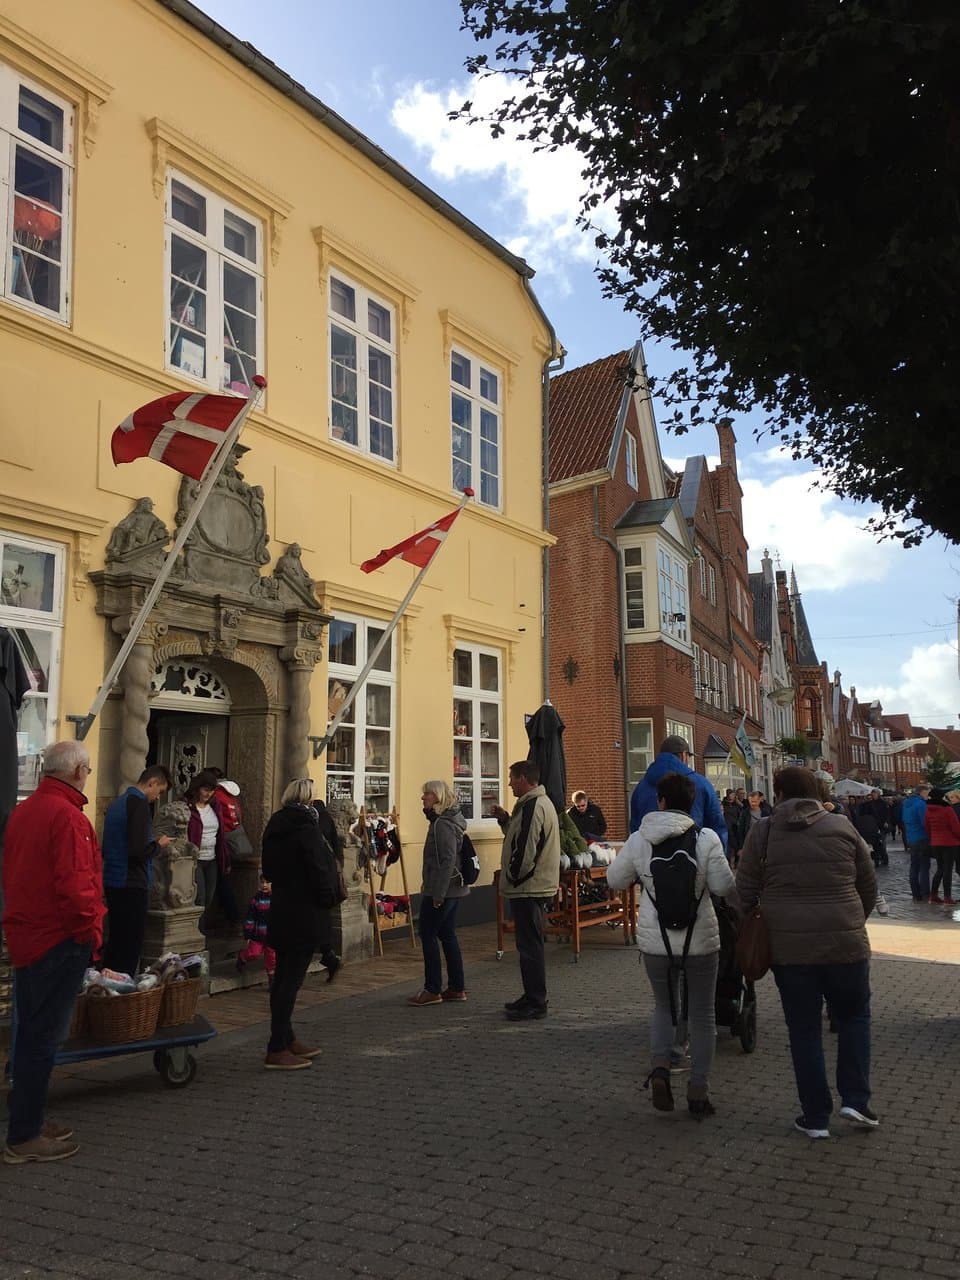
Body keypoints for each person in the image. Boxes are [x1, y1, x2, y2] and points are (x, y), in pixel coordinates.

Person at [736, 766, 878, 1139]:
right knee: (854, 1018)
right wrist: (851, 920)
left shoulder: (762, 832)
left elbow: (744, 891)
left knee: (803, 1030)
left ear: (778, 793)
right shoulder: (842, 826)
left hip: (789, 950)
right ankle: (856, 1100)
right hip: (846, 946)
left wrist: (757, 923)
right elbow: (868, 883)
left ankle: (816, 1117)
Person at [607, 771, 736, 1117]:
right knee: (702, 1014)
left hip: (655, 940)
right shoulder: (706, 837)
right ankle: (698, 1089)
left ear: (660, 801)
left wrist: (641, 875)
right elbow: (724, 886)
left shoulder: (639, 839)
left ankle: (662, 1067)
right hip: (700, 941)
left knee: (664, 1007)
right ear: (691, 804)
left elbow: (614, 878)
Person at [2, 742, 105, 1164]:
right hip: (57, 937)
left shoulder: (25, 810)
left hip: (27, 932)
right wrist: (90, 932)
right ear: (78, 770)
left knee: (29, 1031)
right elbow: (76, 886)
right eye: (88, 768)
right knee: (43, 1037)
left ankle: (28, 1116)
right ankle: (24, 1135)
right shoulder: (68, 817)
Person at [261, 778, 342, 1069]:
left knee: (283, 978)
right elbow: (320, 868)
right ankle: (277, 1046)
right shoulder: (306, 828)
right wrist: (328, 897)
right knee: (290, 981)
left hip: (283, 908)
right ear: (309, 800)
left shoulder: (276, 823)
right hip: (306, 911)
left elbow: (268, 868)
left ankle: (286, 1036)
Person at [492, 760, 561, 1021]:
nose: (509, 783)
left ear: (524, 778)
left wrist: (511, 875)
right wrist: (505, 820)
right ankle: (531, 995)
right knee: (528, 945)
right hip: (532, 885)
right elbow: (520, 836)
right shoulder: (534, 805)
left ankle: (536, 1000)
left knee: (530, 946)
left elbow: (527, 849)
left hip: (529, 887)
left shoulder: (534, 806)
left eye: (512, 778)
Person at [101, 765, 172, 977]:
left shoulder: (117, 803)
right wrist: (159, 845)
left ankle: (108, 986)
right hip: (131, 882)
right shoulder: (138, 805)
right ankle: (121, 990)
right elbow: (139, 849)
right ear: (152, 783)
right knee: (129, 945)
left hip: (113, 879)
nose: (157, 797)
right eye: (159, 791)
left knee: (116, 941)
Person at [407, 780, 468, 1006]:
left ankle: (432, 989)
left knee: (428, 934)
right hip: (451, 889)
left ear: (439, 798)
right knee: (447, 934)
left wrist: (438, 894)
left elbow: (448, 859)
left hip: (443, 890)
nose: (423, 798)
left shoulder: (442, 824)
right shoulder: (447, 820)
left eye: (427, 795)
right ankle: (456, 987)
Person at [630, 735, 728, 855]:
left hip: (650, 863)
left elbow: (635, 827)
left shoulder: (641, 788)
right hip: (693, 860)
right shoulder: (701, 784)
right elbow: (716, 825)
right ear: (683, 755)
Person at [185, 770, 230, 932]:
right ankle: (198, 934)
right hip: (194, 859)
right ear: (197, 789)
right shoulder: (187, 807)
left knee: (209, 898)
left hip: (212, 858)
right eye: (205, 789)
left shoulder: (215, 805)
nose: (208, 793)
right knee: (200, 897)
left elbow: (221, 834)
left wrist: (225, 859)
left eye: (211, 790)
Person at [236, 872, 276, 985]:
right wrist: (248, 933)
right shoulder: (256, 899)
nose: (264, 885)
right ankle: (242, 957)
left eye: (267, 882)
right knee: (253, 953)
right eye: (262, 882)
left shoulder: (276, 899)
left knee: (272, 957)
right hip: (258, 935)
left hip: (272, 936)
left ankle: (272, 979)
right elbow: (250, 918)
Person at [924, 788, 960, 906]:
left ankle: (933, 895)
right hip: (950, 843)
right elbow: (955, 827)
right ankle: (947, 897)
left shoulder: (928, 810)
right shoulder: (947, 809)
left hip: (936, 843)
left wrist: (934, 837)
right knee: (947, 871)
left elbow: (927, 827)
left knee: (940, 869)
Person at [901, 785, 931, 902]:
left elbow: (903, 819)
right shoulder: (920, 804)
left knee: (914, 867)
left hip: (911, 837)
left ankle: (915, 893)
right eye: (927, 793)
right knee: (924, 867)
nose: (927, 796)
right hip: (922, 837)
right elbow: (925, 822)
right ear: (922, 792)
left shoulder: (906, 803)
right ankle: (925, 893)